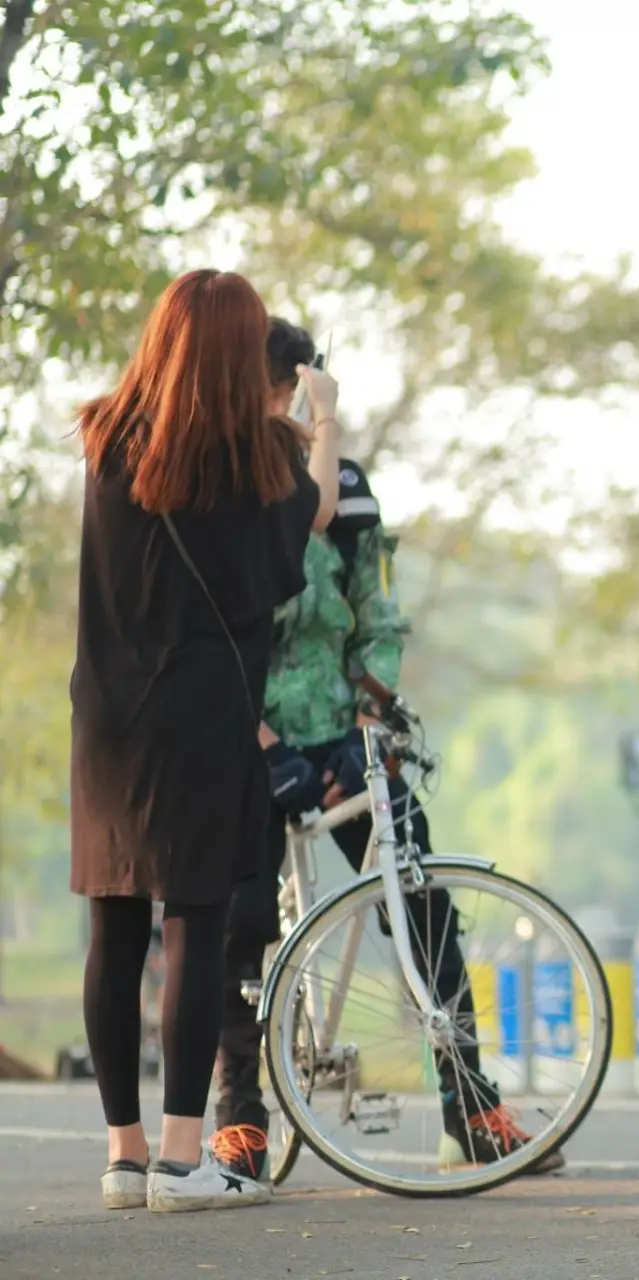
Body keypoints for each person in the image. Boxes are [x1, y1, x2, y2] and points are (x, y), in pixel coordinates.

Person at [203, 319, 564, 1185]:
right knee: (238, 921)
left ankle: (470, 1110)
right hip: (247, 736)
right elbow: (215, 627)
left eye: (300, 388)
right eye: (282, 387)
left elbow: (377, 610)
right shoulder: (221, 485)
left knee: (425, 903)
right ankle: (238, 1119)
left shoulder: (349, 488)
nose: (291, 403)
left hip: (344, 733)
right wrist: (258, 739)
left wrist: (373, 711)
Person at [70, 269, 340, 1212]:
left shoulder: (108, 436)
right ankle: (186, 1163)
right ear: (237, 348)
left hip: (107, 719)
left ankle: (125, 1157)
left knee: (114, 921)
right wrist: (324, 425)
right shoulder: (248, 457)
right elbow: (294, 543)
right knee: (193, 921)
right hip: (200, 716)